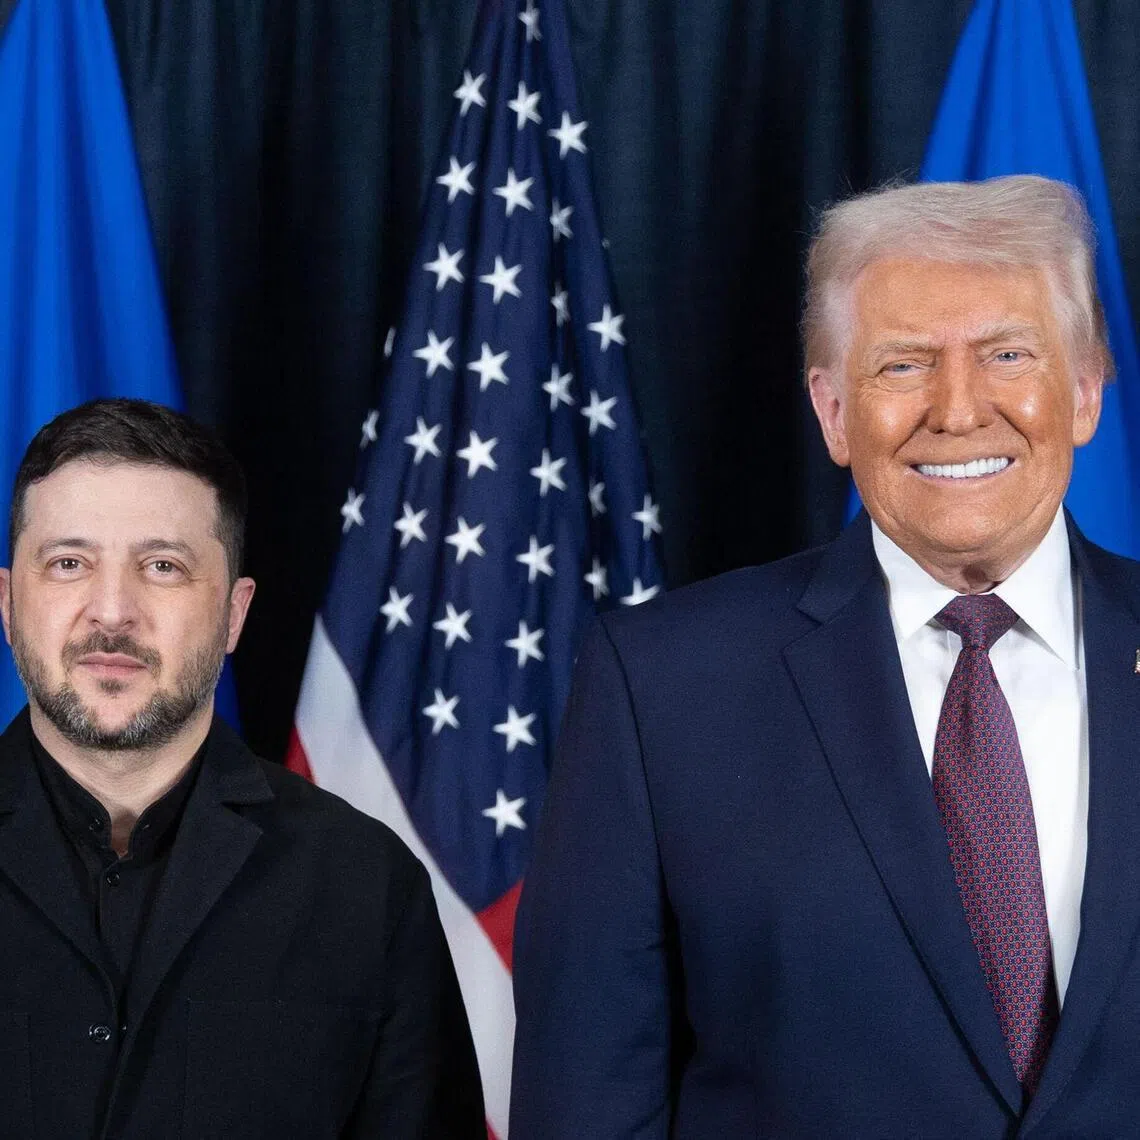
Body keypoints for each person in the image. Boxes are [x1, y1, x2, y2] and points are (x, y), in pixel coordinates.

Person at [509, 175, 1140, 1137]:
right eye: (903, 365)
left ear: (1086, 390)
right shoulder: (664, 684)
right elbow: (587, 1099)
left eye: (1009, 354)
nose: (959, 410)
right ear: (834, 411)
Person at [0, 398, 484, 1138]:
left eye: (163, 566)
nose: (112, 611)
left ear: (233, 613)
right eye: (70, 563)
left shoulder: (366, 884)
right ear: (9, 603)